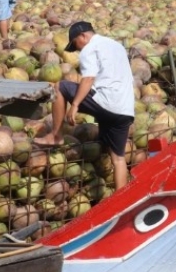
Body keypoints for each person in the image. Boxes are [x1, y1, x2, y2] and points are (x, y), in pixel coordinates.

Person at [33, 21, 135, 190]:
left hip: (106, 103)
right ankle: (122, 202)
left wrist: (75, 105)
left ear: (83, 36)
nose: (78, 49)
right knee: (118, 159)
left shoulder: (89, 49)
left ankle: (55, 136)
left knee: (60, 87)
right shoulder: (116, 46)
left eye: (75, 44)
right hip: (125, 109)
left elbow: (88, 79)